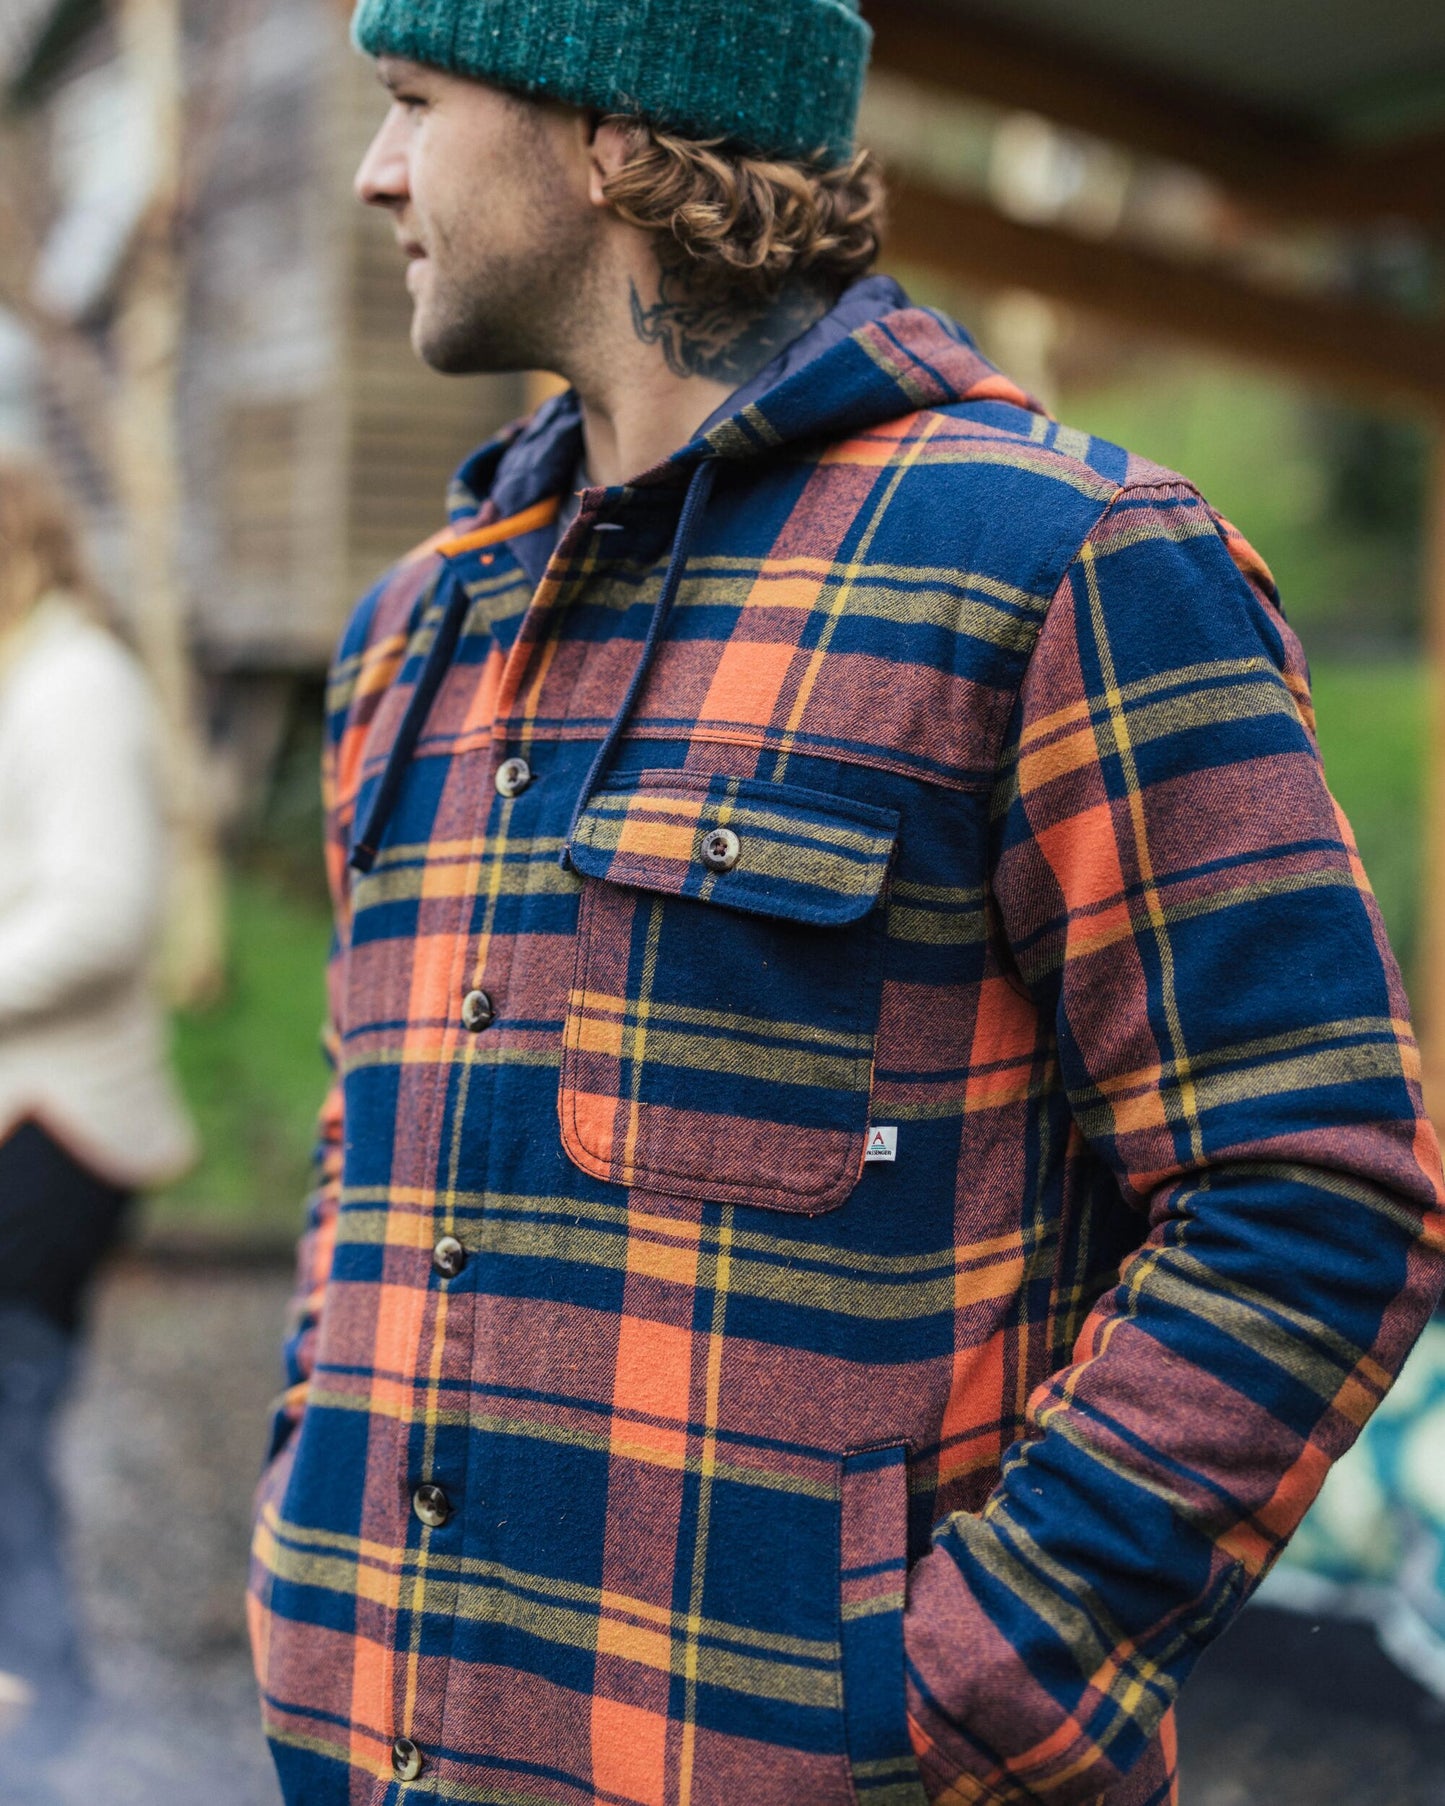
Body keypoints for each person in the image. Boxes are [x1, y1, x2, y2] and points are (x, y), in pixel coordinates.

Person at [248, 4, 1445, 1802]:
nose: (376, 169)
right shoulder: (415, 631)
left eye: (416, 101)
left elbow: (1314, 1190)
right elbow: (373, 1137)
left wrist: (957, 1685)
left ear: (610, 128)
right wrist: (300, 1511)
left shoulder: (1062, 565)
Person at [0, 456, 195, 1757]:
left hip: (60, 1124)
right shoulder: (27, 674)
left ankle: (39, 1697)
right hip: (25, 1112)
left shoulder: (76, 682)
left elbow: (103, 913)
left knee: (6, 1412)